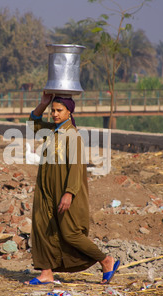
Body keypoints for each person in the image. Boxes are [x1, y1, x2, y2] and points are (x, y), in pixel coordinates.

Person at [25, 92, 120, 285]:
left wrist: (69, 193)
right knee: (43, 227)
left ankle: (105, 260)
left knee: (70, 233)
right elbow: (31, 127)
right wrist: (43, 104)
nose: (54, 114)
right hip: (45, 190)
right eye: (53, 110)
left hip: (65, 191)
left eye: (59, 110)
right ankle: (46, 272)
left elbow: (77, 169)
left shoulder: (73, 136)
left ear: (69, 112)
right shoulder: (52, 131)